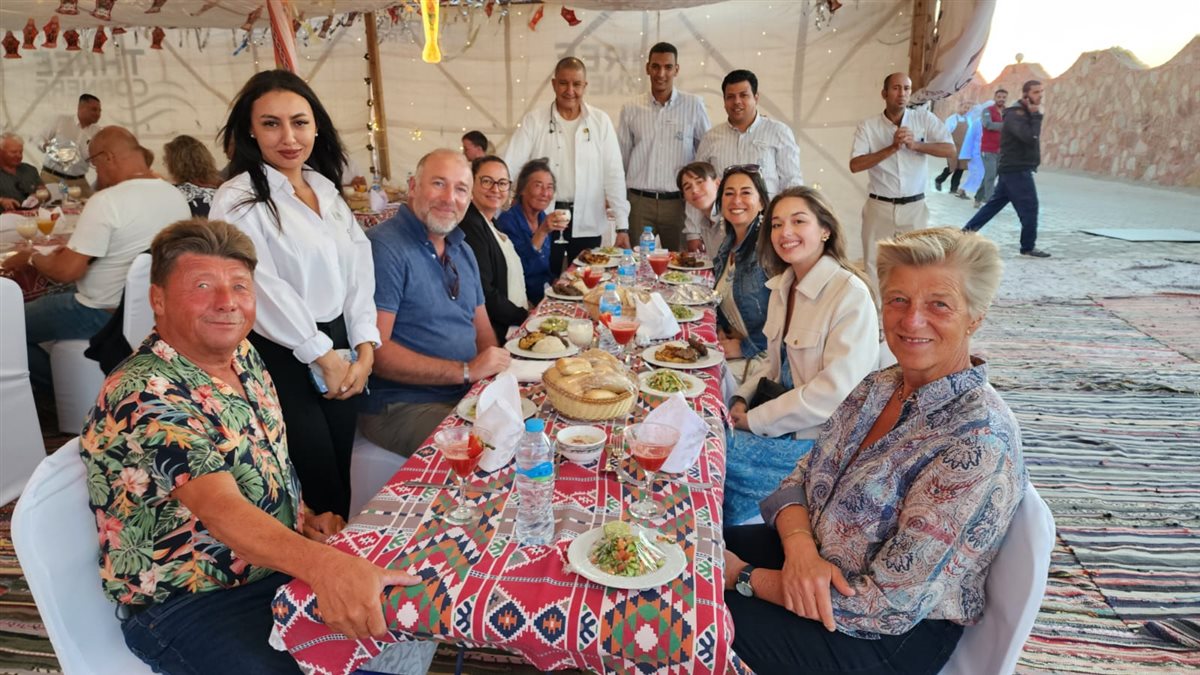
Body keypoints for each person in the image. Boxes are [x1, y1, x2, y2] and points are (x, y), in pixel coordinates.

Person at [81, 218, 423, 674]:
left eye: (240, 286)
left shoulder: (242, 356)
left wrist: (301, 518)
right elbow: (220, 508)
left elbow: (262, 462)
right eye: (203, 286)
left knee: (404, 611)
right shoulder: (145, 390)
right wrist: (325, 566)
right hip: (190, 603)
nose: (227, 302)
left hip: (270, 570)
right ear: (158, 299)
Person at [722, 227, 1026, 675]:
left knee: (684, 613)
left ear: (975, 317)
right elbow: (800, 479)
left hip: (882, 638)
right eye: (899, 300)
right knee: (687, 552)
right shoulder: (881, 386)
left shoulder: (977, 441)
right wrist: (801, 550)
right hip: (815, 555)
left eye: (939, 304)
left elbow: (886, 607)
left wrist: (743, 577)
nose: (912, 320)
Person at [210, 69, 379, 519]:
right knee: (311, 479)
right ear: (250, 130)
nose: (288, 137)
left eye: (299, 122)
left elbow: (358, 269)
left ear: (316, 126)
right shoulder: (238, 198)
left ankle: (338, 557)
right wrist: (322, 355)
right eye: (271, 124)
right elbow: (260, 285)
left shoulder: (324, 188)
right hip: (280, 351)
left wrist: (365, 347)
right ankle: (311, 562)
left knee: (340, 473)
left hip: (339, 342)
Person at [724, 186, 879, 524]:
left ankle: (724, 540)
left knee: (710, 454)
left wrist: (755, 421)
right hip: (779, 425)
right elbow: (773, 364)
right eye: (777, 224)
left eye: (798, 221)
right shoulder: (783, 286)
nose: (785, 233)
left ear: (825, 230)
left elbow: (835, 394)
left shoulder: (849, 295)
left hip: (816, 445)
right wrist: (741, 398)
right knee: (705, 436)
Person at [4, 126, 190, 397]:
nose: (96, 172)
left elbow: (67, 271)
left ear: (108, 157)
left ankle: (58, 391)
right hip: (153, 309)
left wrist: (31, 258)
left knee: (5, 322)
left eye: (94, 163)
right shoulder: (174, 195)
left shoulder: (107, 200)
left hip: (100, 312)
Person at [360, 149, 512, 457]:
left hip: (462, 395)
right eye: (438, 183)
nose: (449, 198)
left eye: (461, 189)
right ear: (413, 187)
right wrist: (467, 371)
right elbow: (376, 351)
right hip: (401, 405)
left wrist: (489, 381)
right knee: (491, 450)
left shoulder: (462, 250)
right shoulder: (384, 246)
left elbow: (482, 330)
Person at [504, 56, 631, 274]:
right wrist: (499, 207)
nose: (570, 90)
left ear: (585, 86)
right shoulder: (534, 120)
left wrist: (622, 226)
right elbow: (511, 165)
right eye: (563, 83)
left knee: (587, 281)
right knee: (542, 278)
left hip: (588, 219)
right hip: (543, 218)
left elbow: (614, 175)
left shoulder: (600, 122)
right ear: (554, 84)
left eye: (576, 84)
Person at [849, 73, 955, 298]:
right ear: (884, 93)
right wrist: (892, 148)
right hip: (879, 207)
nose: (902, 93)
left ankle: (909, 307)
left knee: (916, 263)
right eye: (896, 88)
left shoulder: (923, 119)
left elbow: (950, 149)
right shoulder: (868, 126)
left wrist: (915, 145)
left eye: (906, 88)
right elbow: (855, 165)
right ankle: (877, 312)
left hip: (914, 207)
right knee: (875, 263)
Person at [617, 42, 711, 251]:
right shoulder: (630, 108)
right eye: (656, 66)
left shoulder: (694, 105)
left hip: (679, 203)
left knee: (681, 265)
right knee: (635, 264)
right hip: (639, 203)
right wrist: (619, 204)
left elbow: (705, 158)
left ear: (676, 69)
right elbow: (621, 160)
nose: (661, 73)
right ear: (647, 68)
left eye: (668, 67)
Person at [963, 80, 1051, 258]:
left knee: (993, 205)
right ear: (1025, 94)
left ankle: (963, 234)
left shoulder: (1023, 113)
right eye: (1036, 92)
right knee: (1030, 207)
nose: (1040, 95)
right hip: (1016, 169)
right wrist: (1036, 116)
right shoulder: (1015, 114)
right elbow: (1029, 137)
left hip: (1015, 169)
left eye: (1041, 91)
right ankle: (1027, 246)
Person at [696, 69, 802, 198]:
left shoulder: (779, 132)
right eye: (730, 97)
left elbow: (792, 182)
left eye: (743, 95)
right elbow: (699, 185)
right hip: (724, 211)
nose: (737, 101)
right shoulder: (710, 138)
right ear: (724, 101)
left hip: (768, 210)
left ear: (756, 98)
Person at [459, 155, 529, 343]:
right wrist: (525, 317)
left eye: (502, 183)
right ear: (471, 183)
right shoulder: (470, 225)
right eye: (487, 181)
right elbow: (484, 292)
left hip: (509, 323)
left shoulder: (490, 221)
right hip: (492, 335)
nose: (495, 189)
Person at [713, 166, 772, 384]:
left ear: (762, 202)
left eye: (746, 192)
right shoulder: (727, 246)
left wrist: (744, 347)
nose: (736, 200)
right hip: (735, 346)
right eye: (729, 193)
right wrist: (721, 327)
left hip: (763, 358)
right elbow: (722, 297)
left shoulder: (768, 250)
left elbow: (789, 318)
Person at [496, 159, 567, 305]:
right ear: (522, 189)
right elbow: (518, 271)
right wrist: (542, 232)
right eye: (538, 186)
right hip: (522, 300)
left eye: (549, 187)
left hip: (544, 292)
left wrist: (557, 281)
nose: (545, 193)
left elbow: (543, 267)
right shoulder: (507, 221)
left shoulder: (542, 217)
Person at [37, 93, 102, 197]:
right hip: (52, 177)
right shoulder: (61, 120)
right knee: (51, 204)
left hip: (78, 181)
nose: (98, 114)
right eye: (94, 110)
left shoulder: (98, 131)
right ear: (81, 108)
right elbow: (39, 138)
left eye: (99, 110)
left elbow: (96, 157)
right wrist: (47, 147)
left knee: (90, 203)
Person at [163, 134, 223, 217]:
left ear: (175, 165)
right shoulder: (223, 191)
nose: (165, 164)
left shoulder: (173, 193)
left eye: (166, 160)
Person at [678, 161, 722, 254]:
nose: (694, 190)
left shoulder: (730, 217)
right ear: (685, 198)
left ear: (717, 184)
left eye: (699, 182)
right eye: (688, 187)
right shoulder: (704, 223)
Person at [974, 89, 1008, 208]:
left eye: (1004, 97)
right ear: (995, 97)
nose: (1001, 99)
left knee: (991, 175)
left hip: (1001, 150)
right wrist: (1006, 125)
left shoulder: (1007, 112)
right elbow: (988, 125)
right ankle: (990, 202)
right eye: (999, 97)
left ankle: (978, 197)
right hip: (988, 149)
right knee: (991, 175)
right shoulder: (987, 111)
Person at [934, 100, 973, 198]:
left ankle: (953, 189)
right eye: (965, 107)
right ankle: (939, 180)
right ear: (959, 107)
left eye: (968, 108)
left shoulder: (968, 119)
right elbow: (946, 133)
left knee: (960, 168)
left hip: (964, 148)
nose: (966, 110)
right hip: (953, 147)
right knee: (952, 167)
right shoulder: (952, 119)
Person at [0, 132, 43, 211]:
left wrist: (38, 195)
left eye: (20, 152)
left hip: (32, 216)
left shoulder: (30, 170)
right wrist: (2, 201)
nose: (19, 155)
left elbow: (44, 191)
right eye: (13, 152)